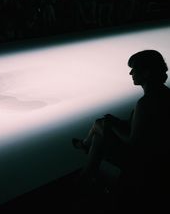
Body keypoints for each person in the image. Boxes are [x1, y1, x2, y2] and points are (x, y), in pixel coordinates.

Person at [72, 50, 170, 198]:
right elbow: (144, 129)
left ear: (146, 73)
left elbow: (134, 142)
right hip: (158, 154)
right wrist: (115, 123)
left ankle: (85, 170)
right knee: (101, 124)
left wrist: (111, 125)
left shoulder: (145, 103)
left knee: (101, 129)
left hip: (145, 160)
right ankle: (85, 175)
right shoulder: (164, 93)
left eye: (134, 69)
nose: (131, 73)